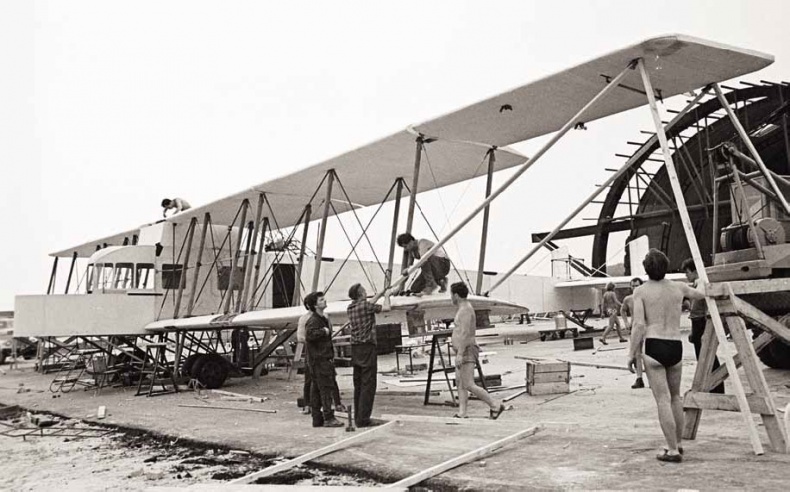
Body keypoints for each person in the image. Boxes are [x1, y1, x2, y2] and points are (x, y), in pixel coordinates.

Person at [628, 249, 705, 463]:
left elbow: (639, 325)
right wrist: (700, 281)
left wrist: (631, 353)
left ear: (646, 269)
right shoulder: (678, 287)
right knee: (675, 397)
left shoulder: (640, 291)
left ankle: (671, 450)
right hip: (674, 345)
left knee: (662, 400)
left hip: (654, 345)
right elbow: (701, 294)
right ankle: (677, 443)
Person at [450, 282, 505, 419]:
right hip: (463, 349)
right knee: (460, 383)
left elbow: (465, 333)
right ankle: (462, 413)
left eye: (451, 294)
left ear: (456, 295)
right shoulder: (463, 308)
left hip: (466, 350)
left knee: (468, 384)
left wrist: (460, 354)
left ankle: (495, 405)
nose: (451, 297)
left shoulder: (465, 309)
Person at [346, 283, 390, 427]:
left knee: (359, 384)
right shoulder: (366, 306)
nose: (366, 293)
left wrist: (382, 292)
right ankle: (364, 419)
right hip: (367, 347)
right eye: (364, 291)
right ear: (361, 294)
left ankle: (358, 417)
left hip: (356, 348)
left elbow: (369, 302)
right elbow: (386, 308)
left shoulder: (351, 308)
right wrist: (387, 296)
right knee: (368, 383)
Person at [681, 258, 724, 394]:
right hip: (697, 323)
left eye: (687, 272)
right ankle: (708, 387)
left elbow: (707, 307)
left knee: (708, 356)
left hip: (702, 322)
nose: (686, 275)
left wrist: (706, 331)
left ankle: (716, 388)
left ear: (695, 271)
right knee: (702, 358)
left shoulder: (702, 284)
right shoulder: (696, 285)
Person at [304, 291, 344, 427]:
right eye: (321, 300)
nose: (324, 301)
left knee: (316, 390)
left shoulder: (321, 319)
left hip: (319, 360)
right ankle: (328, 417)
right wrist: (324, 331)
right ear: (315, 305)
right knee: (326, 389)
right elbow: (309, 335)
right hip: (320, 361)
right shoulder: (314, 321)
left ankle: (317, 418)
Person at [621, 278, 645, 389]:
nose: (635, 288)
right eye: (633, 286)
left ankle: (652, 379)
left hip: (647, 328)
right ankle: (639, 378)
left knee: (648, 354)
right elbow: (622, 310)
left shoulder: (647, 298)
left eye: (637, 286)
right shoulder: (628, 299)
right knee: (637, 354)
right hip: (635, 328)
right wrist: (626, 322)